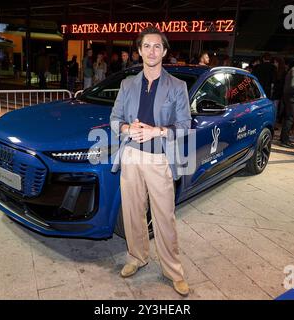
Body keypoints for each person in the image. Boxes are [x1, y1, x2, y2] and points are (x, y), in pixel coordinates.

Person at [110, 26, 191, 296]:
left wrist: (157, 131)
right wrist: (126, 130)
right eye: (147, 46)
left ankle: (173, 271)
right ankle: (137, 257)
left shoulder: (177, 86)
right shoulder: (127, 84)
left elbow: (184, 125)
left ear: (165, 52)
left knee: (164, 217)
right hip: (131, 154)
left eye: (157, 46)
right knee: (132, 213)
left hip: (159, 158)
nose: (152, 51)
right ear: (139, 50)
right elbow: (114, 119)